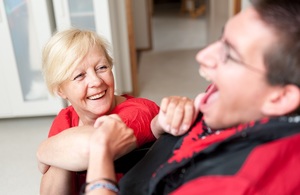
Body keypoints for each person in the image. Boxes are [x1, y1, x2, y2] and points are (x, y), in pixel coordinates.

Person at [79, 0, 300, 194]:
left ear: (280, 98)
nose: (202, 56)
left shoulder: (236, 184)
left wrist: (101, 152)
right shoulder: (237, 106)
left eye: (230, 55)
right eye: (221, 39)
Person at [36, 29, 165, 195]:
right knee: (58, 163)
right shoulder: (66, 119)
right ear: (61, 91)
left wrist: (42, 152)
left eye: (101, 67)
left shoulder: (140, 111)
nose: (96, 81)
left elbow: (95, 145)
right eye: (79, 76)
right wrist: (54, 155)